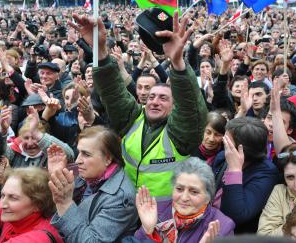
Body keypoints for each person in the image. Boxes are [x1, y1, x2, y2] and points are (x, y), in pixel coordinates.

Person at [72, 11, 207, 201]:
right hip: (124, 207)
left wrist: (177, 62)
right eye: (151, 96)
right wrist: (100, 49)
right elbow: (112, 91)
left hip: (163, 217)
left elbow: (191, 108)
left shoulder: (180, 134)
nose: (154, 101)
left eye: (163, 98)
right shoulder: (133, 119)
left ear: (174, 106)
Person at [49, 126, 139, 242]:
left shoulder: (120, 198)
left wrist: (65, 204)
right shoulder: (89, 175)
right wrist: (57, 176)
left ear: (108, 159)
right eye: (79, 152)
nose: (77, 161)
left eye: (86, 154)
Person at [134, 157, 235, 242]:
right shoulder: (157, 211)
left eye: (194, 192)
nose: (184, 198)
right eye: (179, 189)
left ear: (208, 197)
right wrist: (146, 231)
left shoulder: (222, 228)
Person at [213, 117, 279, 234]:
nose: (223, 141)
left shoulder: (266, 173)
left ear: (242, 149)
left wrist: (235, 170)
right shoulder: (222, 157)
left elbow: (236, 215)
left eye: (228, 140)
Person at [7, 106, 74, 168]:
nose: (30, 144)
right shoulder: (13, 149)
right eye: (26, 138)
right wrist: (3, 130)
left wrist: (36, 133)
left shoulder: (49, 151)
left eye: (34, 137)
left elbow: (69, 155)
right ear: (20, 138)